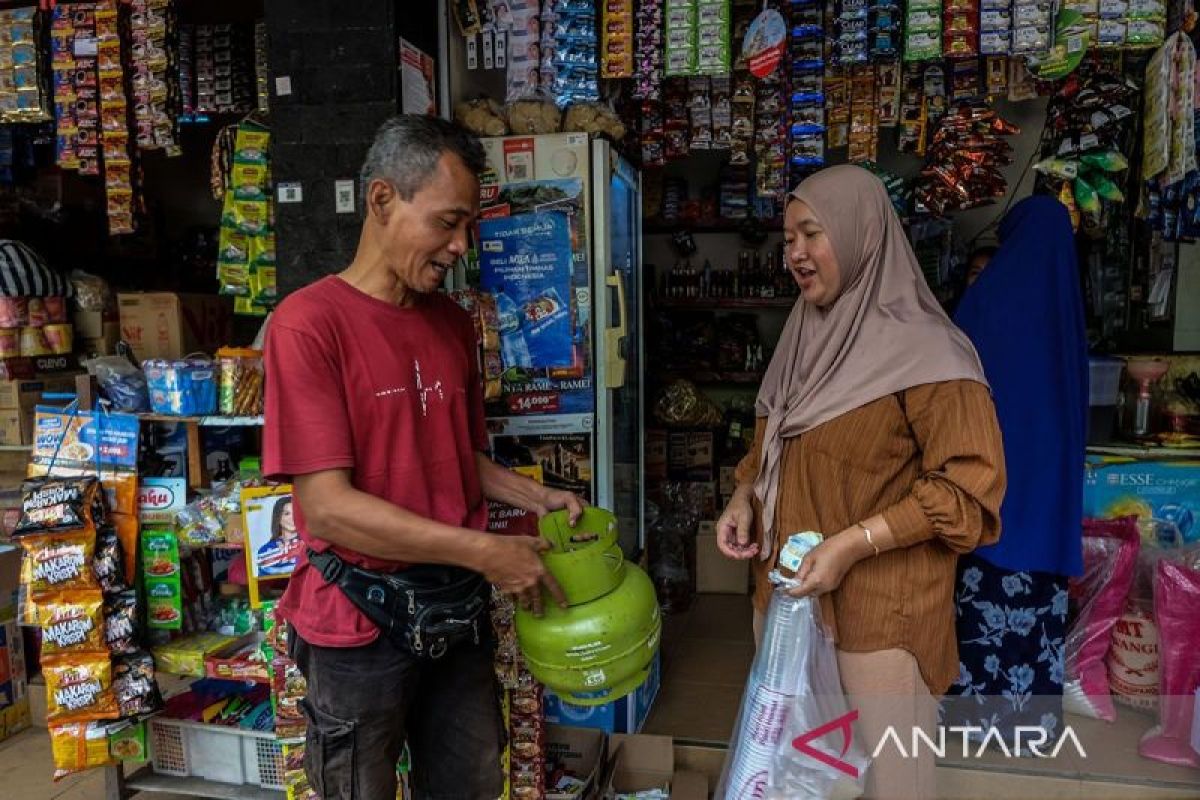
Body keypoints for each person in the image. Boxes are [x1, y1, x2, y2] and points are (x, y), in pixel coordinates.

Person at [263, 114, 584, 800]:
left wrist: (536, 498)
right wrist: (483, 551)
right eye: (448, 222)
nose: (460, 246)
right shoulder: (308, 324)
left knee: (470, 785)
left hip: (454, 616)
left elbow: (450, 456)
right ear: (383, 200)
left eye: (468, 226)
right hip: (357, 625)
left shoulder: (451, 323)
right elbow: (328, 508)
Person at [715, 165, 1006, 800]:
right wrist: (745, 494)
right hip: (790, 604)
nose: (795, 253)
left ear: (859, 235)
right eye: (788, 238)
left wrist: (852, 543)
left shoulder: (932, 353)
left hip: (881, 615)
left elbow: (968, 490)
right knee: (800, 777)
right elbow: (773, 439)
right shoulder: (803, 334)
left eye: (811, 234)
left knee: (891, 784)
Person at [943, 195, 1086, 745]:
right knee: (1035, 605)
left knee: (981, 595)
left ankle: (968, 719)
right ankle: (1031, 725)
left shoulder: (987, 303)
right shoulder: (1067, 309)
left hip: (993, 484)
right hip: (1046, 495)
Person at [256, 497, 301, 577]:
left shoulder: (311, 545)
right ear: (278, 518)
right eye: (287, 514)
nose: (293, 518)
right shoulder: (265, 550)